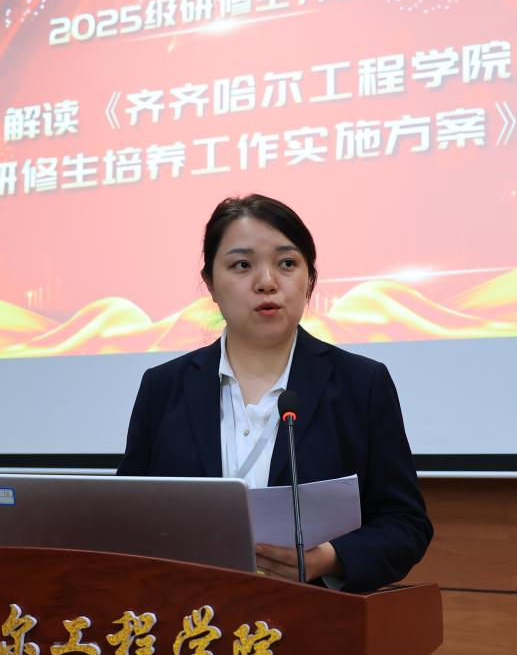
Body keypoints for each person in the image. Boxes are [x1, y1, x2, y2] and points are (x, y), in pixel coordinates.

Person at [119, 194, 433, 593]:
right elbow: (127, 518)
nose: (266, 282)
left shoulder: (360, 383)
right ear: (210, 284)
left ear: (310, 280)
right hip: (188, 614)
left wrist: (329, 558)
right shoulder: (163, 388)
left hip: (314, 615)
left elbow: (405, 524)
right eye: (242, 265)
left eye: (287, 263)